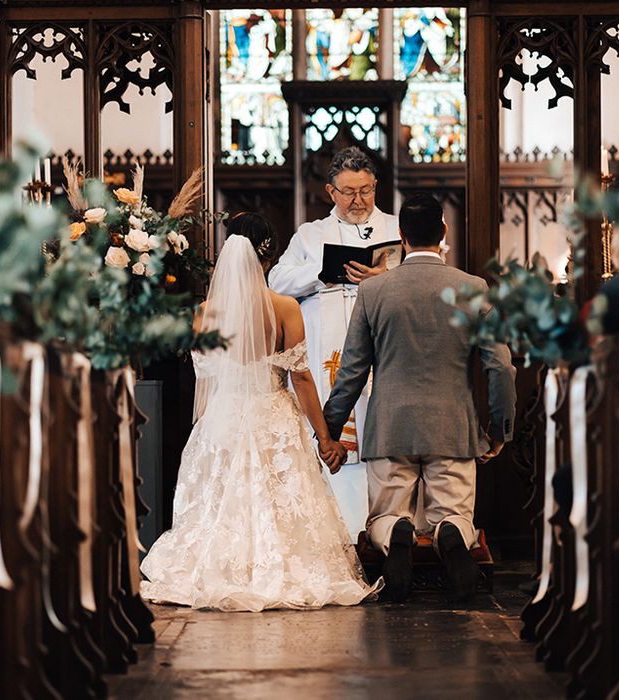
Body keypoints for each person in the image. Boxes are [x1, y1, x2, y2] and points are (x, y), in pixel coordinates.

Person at [140, 212, 382, 612]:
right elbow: (302, 379)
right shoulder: (285, 308)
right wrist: (325, 438)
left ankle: (222, 570)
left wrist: (208, 426)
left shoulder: (204, 313)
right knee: (280, 501)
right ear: (267, 256)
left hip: (222, 418)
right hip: (274, 417)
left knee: (222, 503)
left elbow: (207, 380)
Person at [323, 193, 517, 603]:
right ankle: (451, 533)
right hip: (453, 428)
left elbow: (352, 370)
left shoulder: (374, 291)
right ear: (443, 232)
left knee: (384, 514)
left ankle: (395, 533)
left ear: (400, 235)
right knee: (456, 513)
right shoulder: (473, 288)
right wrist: (498, 429)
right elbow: (500, 365)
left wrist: (331, 428)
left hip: (390, 428)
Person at [268, 146, 400, 538]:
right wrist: (322, 273)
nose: (357, 200)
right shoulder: (311, 235)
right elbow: (277, 281)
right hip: (330, 354)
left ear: (375, 186)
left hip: (383, 350)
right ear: (330, 192)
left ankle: (386, 532)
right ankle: (337, 534)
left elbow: (422, 278)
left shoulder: (396, 230)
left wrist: (379, 278)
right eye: (348, 192)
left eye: (365, 190)